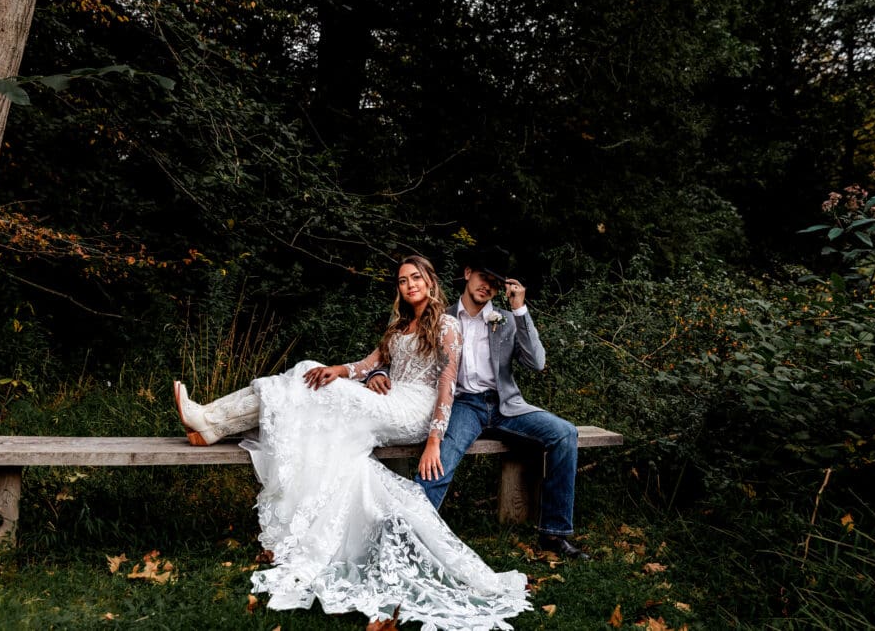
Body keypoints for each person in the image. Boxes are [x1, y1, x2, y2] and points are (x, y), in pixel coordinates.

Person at [173, 255, 530, 630]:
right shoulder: (400, 324)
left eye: (416, 278)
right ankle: (209, 423)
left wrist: (434, 441)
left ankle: (211, 421)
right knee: (310, 377)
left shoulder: (447, 325)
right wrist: (340, 371)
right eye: (403, 280)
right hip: (389, 398)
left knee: (306, 383)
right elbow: (370, 362)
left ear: (430, 281)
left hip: (414, 409)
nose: (409, 285)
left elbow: (447, 386)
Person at [369, 247, 590, 560]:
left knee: (565, 433)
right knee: (438, 461)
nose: (487, 285)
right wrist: (378, 371)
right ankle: (405, 540)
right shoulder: (438, 316)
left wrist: (520, 311)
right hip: (462, 405)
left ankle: (554, 534)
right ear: (468, 273)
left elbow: (537, 363)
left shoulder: (504, 320)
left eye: (495, 282)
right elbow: (401, 351)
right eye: (483, 276)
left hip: (505, 406)